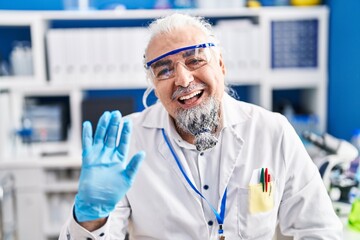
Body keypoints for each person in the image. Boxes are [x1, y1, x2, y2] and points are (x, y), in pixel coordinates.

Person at [59, 13, 342, 240]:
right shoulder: (128, 142)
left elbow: (319, 230)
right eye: (164, 70)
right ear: (154, 87)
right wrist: (91, 217)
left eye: (195, 60)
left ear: (221, 65)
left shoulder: (272, 132)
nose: (182, 79)